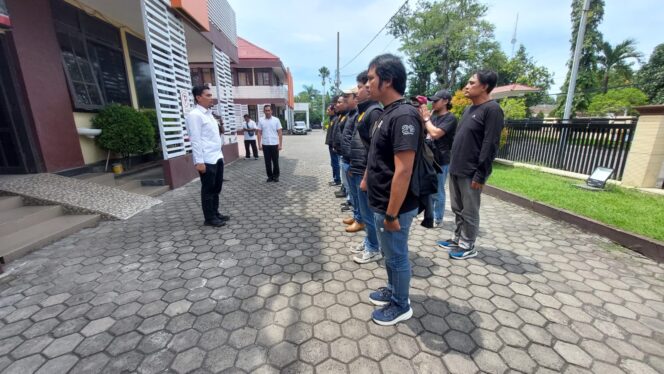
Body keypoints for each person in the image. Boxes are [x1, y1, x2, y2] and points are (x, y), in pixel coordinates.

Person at [363, 54, 420, 325]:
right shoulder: (386, 113)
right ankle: (394, 289)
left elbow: (404, 170)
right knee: (389, 253)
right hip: (381, 201)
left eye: (372, 78)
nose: (368, 84)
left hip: (393, 206)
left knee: (397, 256)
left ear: (387, 81)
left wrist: (392, 214)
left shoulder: (404, 115)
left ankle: (401, 303)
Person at [438, 70, 504, 260]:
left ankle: (468, 245)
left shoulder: (492, 110)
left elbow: (490, 144)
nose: (466, 86)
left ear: (484, 86)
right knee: (457, 207)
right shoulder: (469, 109)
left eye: (471, 82)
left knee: (470, 209)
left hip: (471, 171)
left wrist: (481, 174)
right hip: (457, 167)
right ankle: (457, 238)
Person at [348, 71, 383, 263]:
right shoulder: (365, 112)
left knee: (369, 214)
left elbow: (374, 149)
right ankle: (370, 241)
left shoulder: (374, 112)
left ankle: (374, 247)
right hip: (359, 167)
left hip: (365, 171)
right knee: (365, 211)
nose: (358, 92)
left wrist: (365, 175)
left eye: (361, 87)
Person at [186, 85, 229, 227]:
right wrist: (199, 161)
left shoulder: (209, 114)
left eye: (211, 95)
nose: (212, 98)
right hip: (206, 159)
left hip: (217, 156)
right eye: (208, 95)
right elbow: (196, 140)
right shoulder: (194, 115)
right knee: (208, 189)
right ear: (198, 98)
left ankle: (215, 212)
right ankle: (209, 218)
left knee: (217, 188)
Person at [420, 90, 457, 228]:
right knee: (428, 188)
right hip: (429, 157)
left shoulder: (450, 118)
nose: (433, 103)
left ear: (446, 101)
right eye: (432, 100)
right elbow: (425, 132)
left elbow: (435, 133)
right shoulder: (433, 116)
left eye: (436, 100)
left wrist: (426, 119)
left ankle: (438, 218)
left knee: (438, 191)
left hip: (441, 159)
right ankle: (429, 215)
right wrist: (422, 118)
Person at [339, 87, 362, 232]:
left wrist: (353, 162)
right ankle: (357, 215)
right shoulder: (351, 114)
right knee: (353, 194)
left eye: (348, 96)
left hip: (353, 161)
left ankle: (360, 220)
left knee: (358, 195)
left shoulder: (358, 114)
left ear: (356, 98)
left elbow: (358, 142)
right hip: (347, 159)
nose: (345, 99)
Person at [257, 105, 283, 182]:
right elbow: (259, 133)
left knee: (275, 161)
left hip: (274, 144)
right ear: (264, 111)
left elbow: (280, 133)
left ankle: (276, 176)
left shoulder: (276, 120)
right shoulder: (261, 120)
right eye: (266, 110)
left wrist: (280, 144)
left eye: (269, 110)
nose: (267, 112)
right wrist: (259, 145)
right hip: (265, 144)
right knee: (267, 162)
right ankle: (270, 176)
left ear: (271, 111)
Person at [324, 102, 340, 186]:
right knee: (333, 163)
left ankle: (337, 180)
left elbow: (335, 134)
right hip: (331, 144)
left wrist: (334, 145)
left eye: (328, 109)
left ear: (333, 110)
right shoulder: (332, 119)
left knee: (335, 163)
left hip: (333, 145)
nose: (327, 111)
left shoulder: (335, 119)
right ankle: (335, 178)